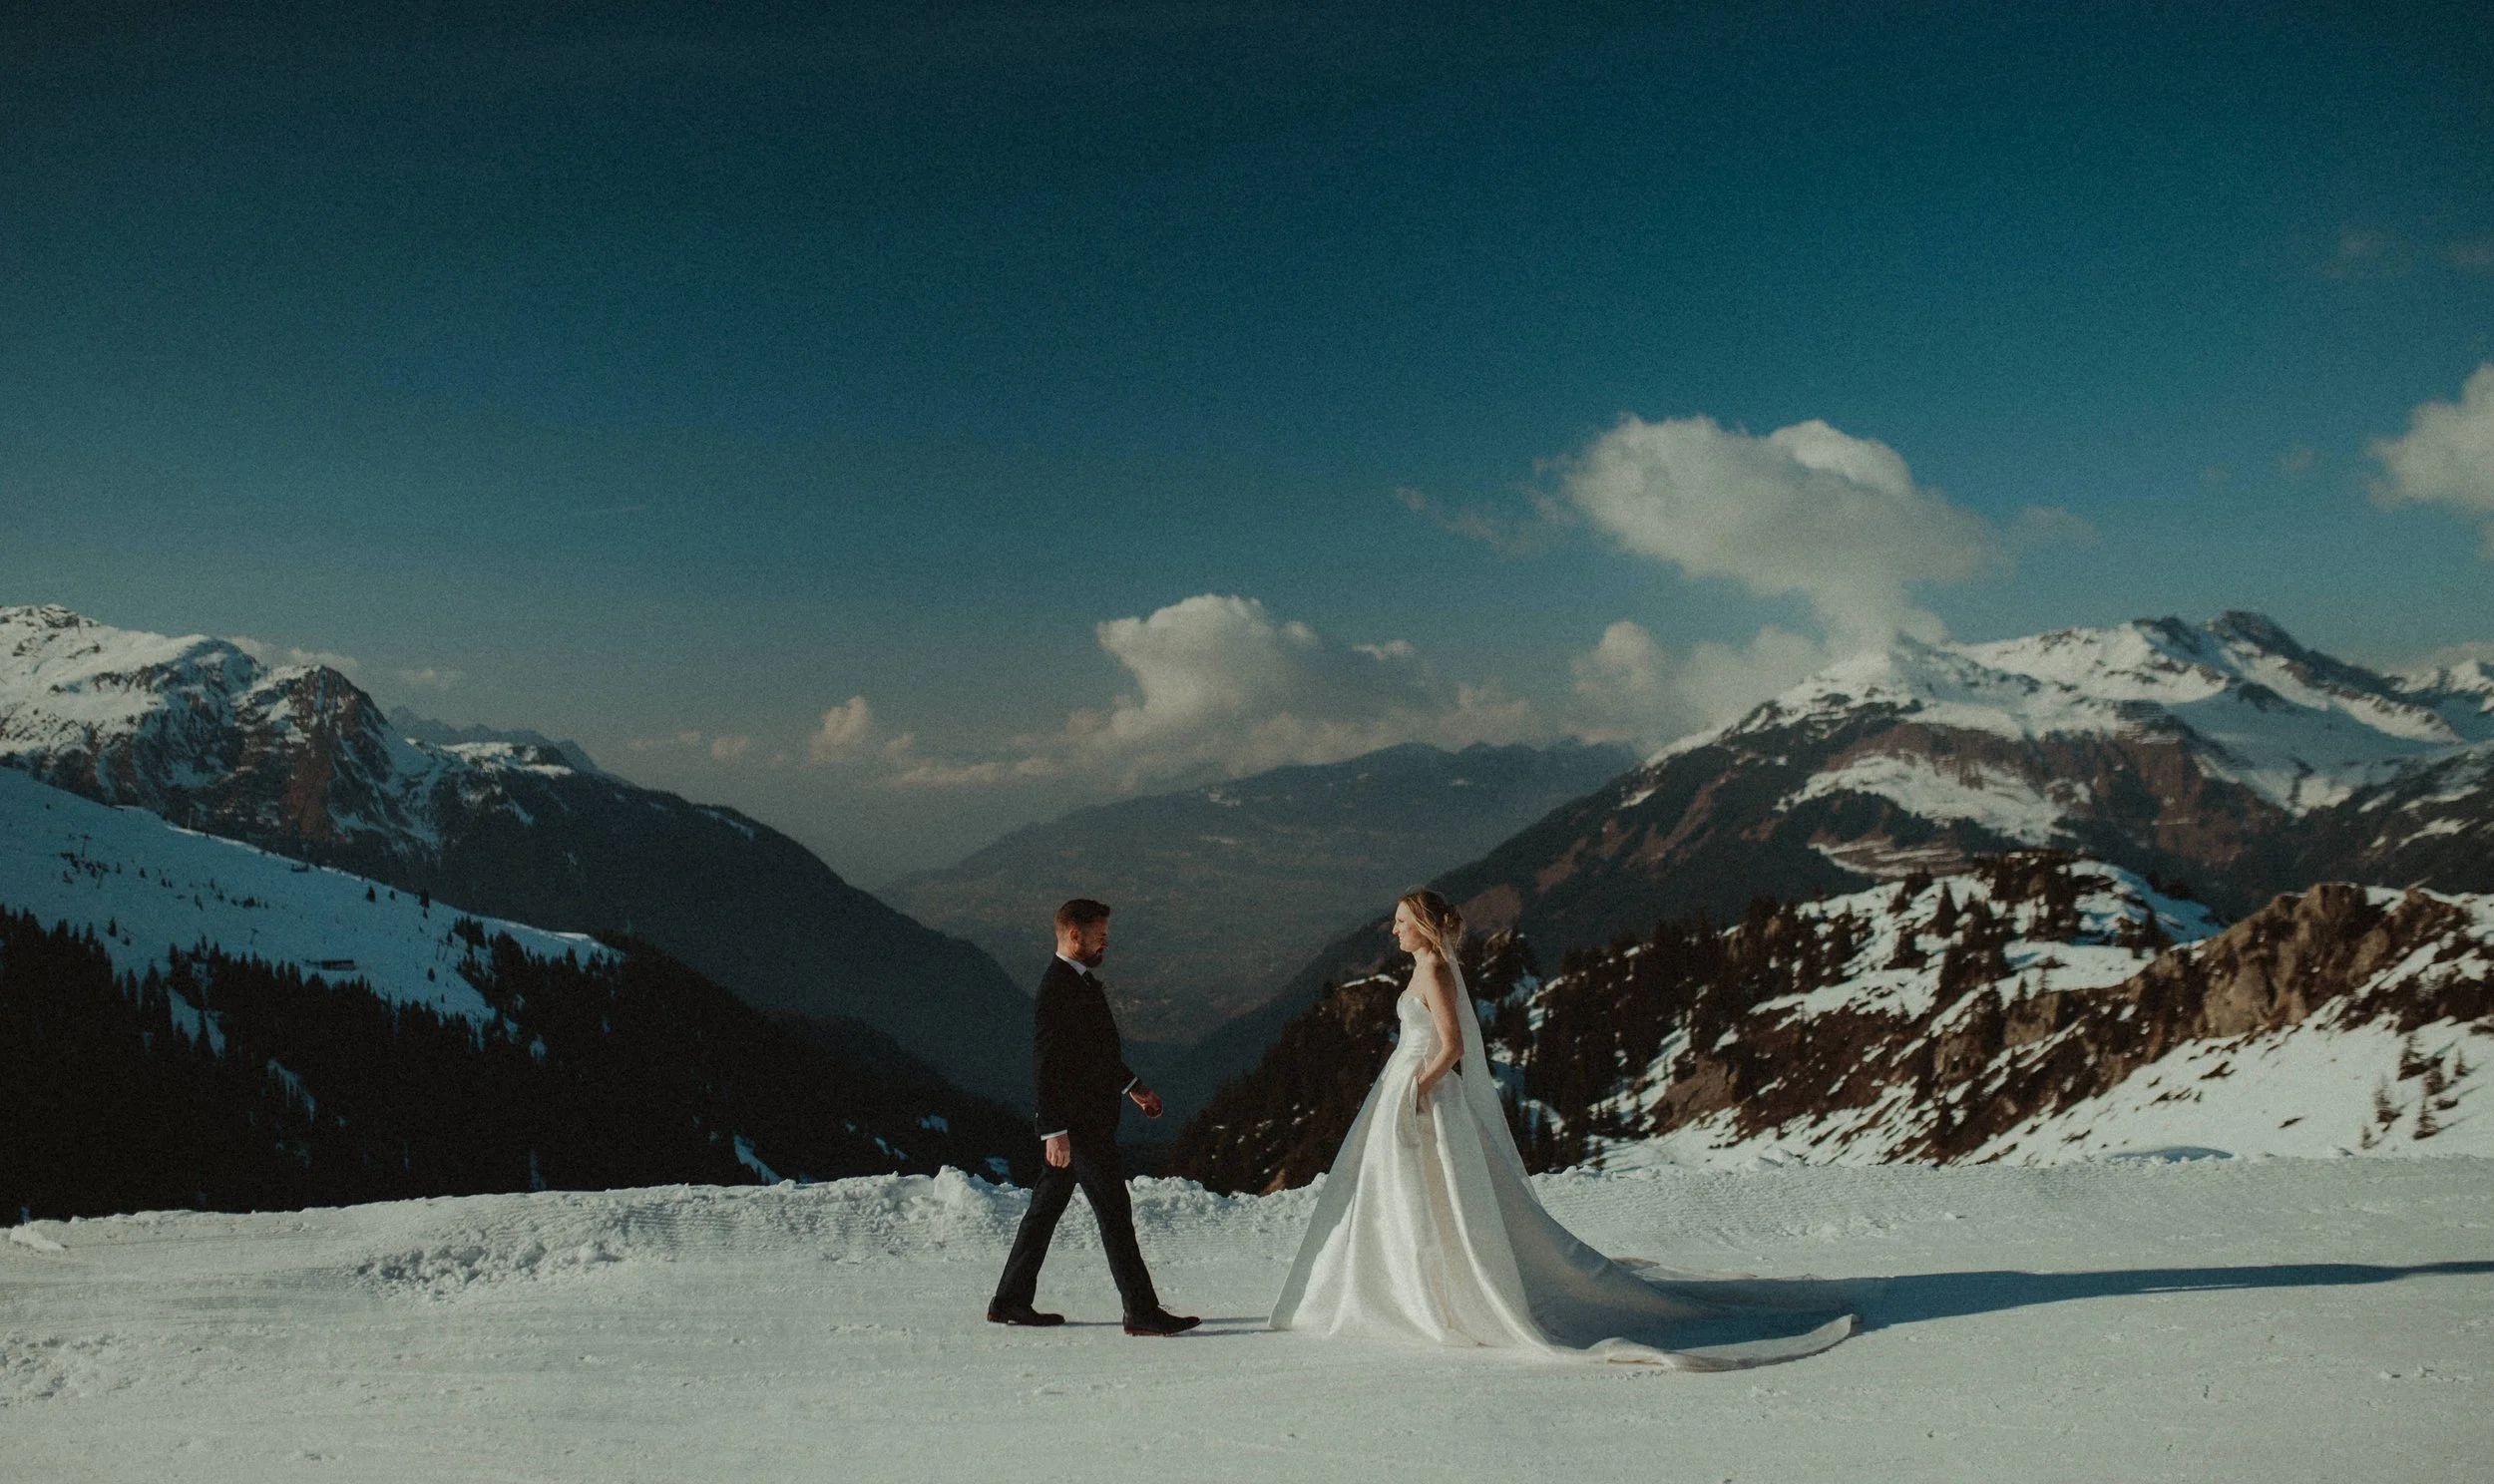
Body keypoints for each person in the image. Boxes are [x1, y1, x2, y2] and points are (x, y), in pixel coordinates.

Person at [1269, 889, 1856, 1369]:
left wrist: (1417, 1090)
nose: (1393, 930)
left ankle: (1431, 1292)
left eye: (1401, 922)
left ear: (1422, 926)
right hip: (1408, 1089)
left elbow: (1452, 1047)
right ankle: (1410, 1288)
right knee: (1406, 1193)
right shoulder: (1425, 966)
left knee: (1434, 1192)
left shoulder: (1437, 970)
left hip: (1424, 1094)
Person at [989, 898, 1200, 1336]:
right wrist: (1054, 1131)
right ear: (1074, 935)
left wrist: (1134, 1087)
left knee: (1045, 1210)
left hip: (1080, 1123)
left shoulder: (1077, 981)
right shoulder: (1058, 988)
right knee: (1114, 1214)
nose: (1106, 943)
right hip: (1079, 1127)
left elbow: (1093, 1054)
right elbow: (1047, 1064)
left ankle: (1010, 1300)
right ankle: (1140, 1311)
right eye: (1100, 936)